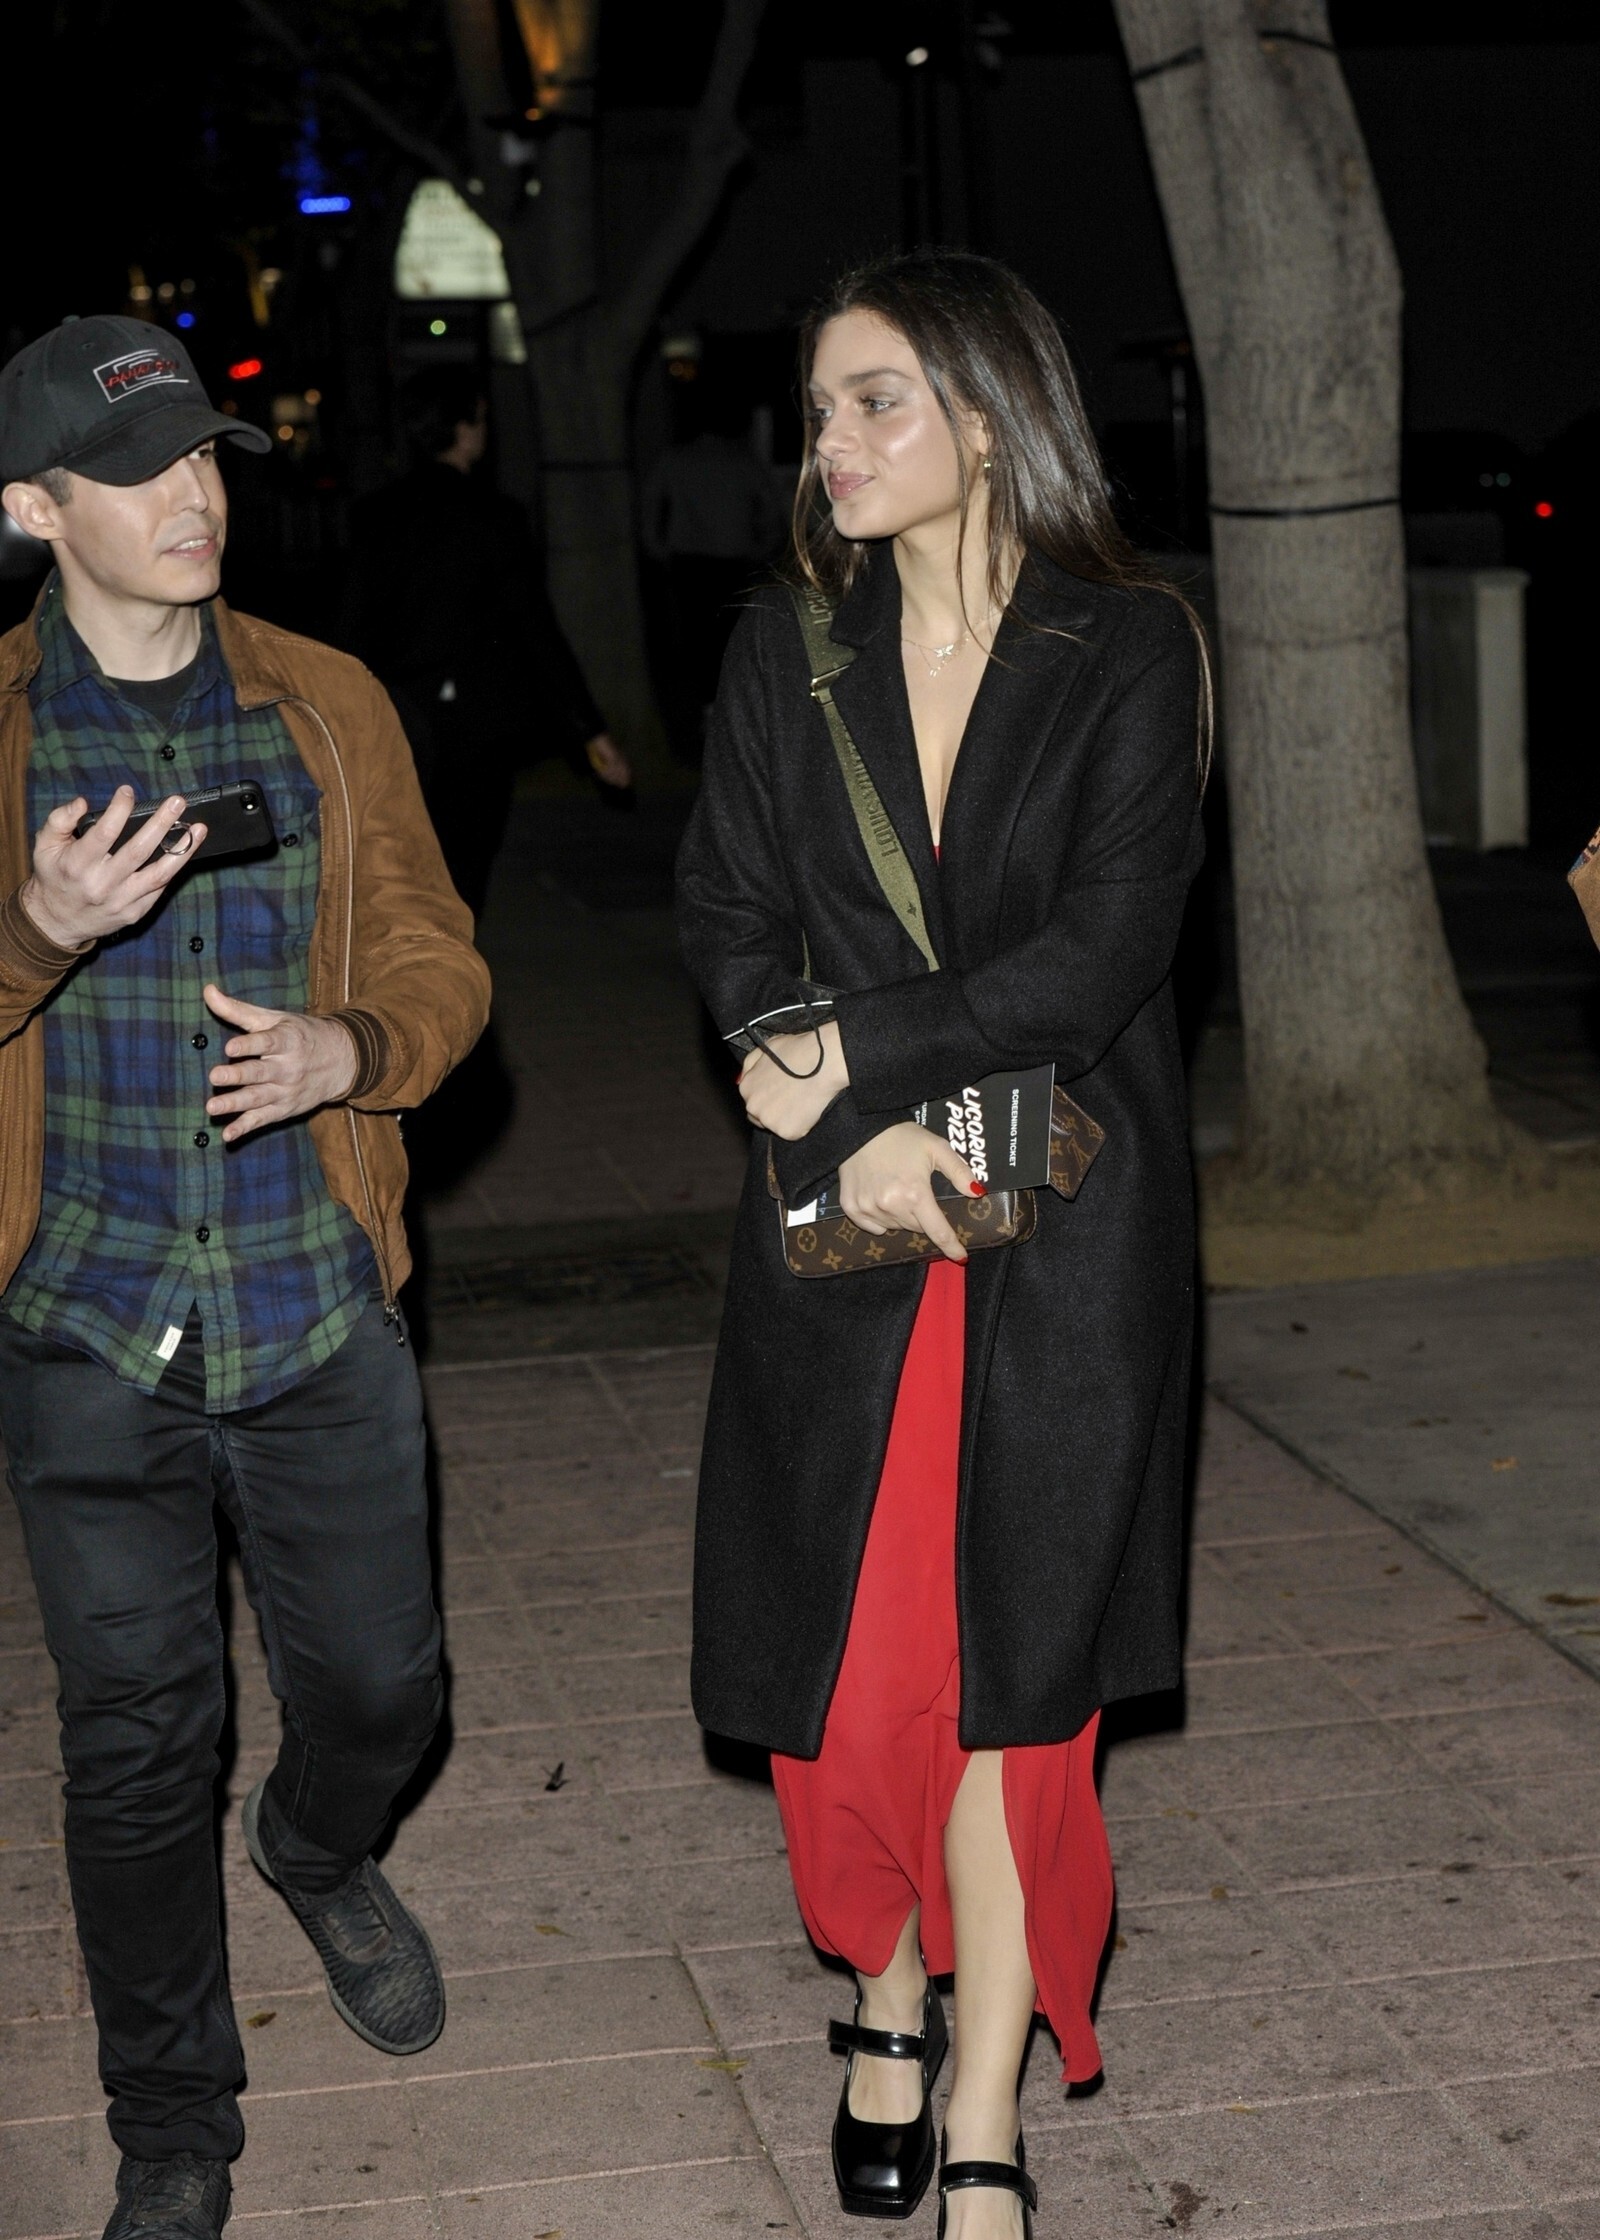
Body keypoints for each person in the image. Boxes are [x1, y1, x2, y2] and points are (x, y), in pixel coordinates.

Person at [676, 252, 1207, 2238]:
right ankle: (881, 1991)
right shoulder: (785, 650)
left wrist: (864, 1063)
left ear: (987, 418)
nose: (831, 443)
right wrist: (836, 1108)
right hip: (845, 1221)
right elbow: (729, 912)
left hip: (1062, 1216)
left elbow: (1103, 948)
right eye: (819, 410)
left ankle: (982, 2099)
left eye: (874, 400)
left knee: (1016, 1678)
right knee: (848, 1682)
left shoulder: (1127, 646)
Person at [0, 316, 490, 2240]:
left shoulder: (323, 703)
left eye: (203, 453)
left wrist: (349, 1050)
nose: (192, 493)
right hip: (84, 1321)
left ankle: (316, 1844)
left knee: (385, 1691)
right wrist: (32, 930)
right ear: (34, 510)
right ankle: (173, 2128)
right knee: (136, 1745)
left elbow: (440, 956)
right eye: (136, 471)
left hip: (311, 1295)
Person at [341, 367, 631, 921]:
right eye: (480, 419)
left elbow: (350, 625)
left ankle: (416, 959)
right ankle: (447, 964)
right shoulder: (495, 516)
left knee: (402, 865)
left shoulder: (376, 515)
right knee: (465, 867)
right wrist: (590, 730)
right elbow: (536, 630)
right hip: (476, 727)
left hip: (396, 718)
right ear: (463, 427)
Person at [641, 380, 788, 759]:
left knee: (696, 640)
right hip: (730, 563)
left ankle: (710, 714)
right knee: (729, 641)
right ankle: (725, 717)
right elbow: (774, 514)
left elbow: (650, 510)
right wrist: (761, 549)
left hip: (690, 564)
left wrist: (659, 550)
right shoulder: (741, 460)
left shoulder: (677, 459)